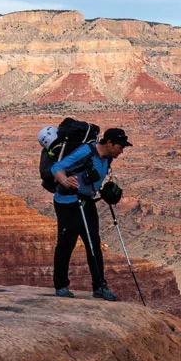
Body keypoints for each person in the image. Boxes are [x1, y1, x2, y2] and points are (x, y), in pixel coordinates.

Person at [50, 127, 129, 300]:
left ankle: (100, 286)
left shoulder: (107, 159)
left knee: (94, 243)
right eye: (120, 146)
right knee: (66, 243)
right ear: (109, 143)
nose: (122, 150)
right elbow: (57, 167)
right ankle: (61, 285)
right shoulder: (86, 152)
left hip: (87, 201)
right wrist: (65, 180)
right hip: (68, 202)